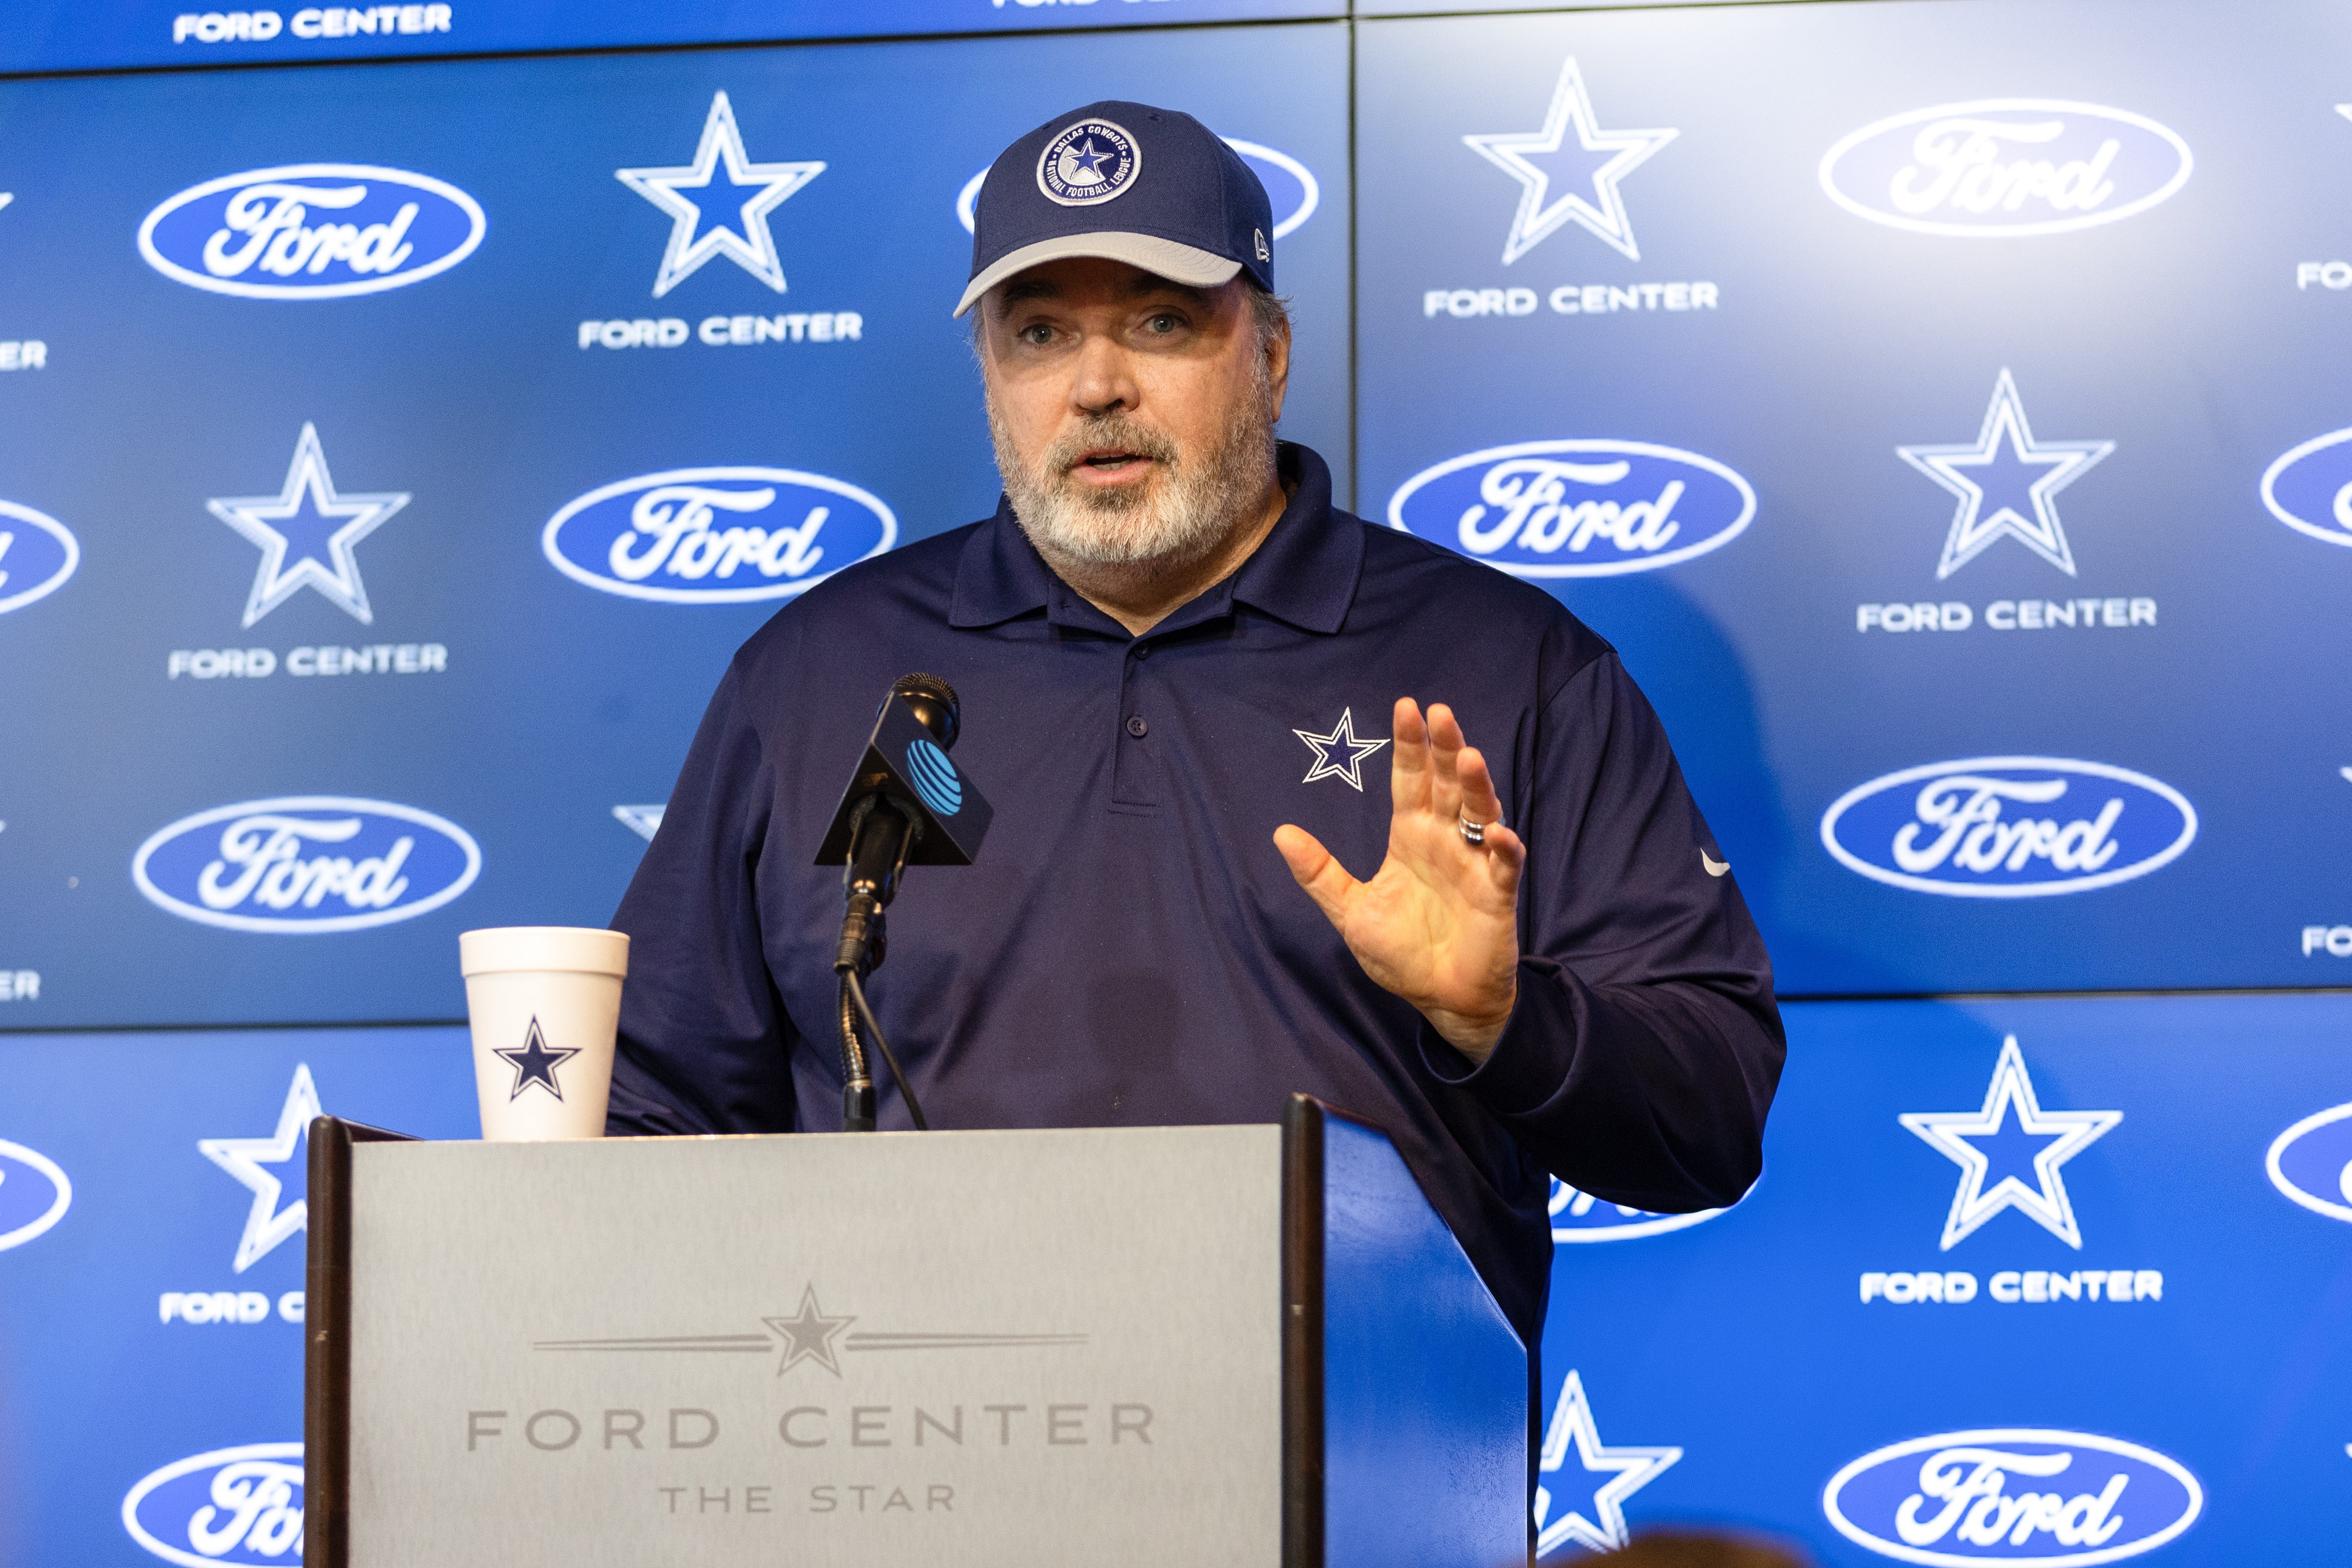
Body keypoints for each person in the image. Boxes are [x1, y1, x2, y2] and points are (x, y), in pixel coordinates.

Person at [606, 100, 1783, 1374]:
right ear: (991, 376)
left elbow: (1711, 1118)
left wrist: (1505, 1017)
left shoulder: (1506, 668)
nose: (1098, 385)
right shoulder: (817, 676)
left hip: (1361, 1488)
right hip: (908, 1462)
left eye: (1160, 322)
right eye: (1041, 333)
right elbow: (642, 1115)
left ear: (1270, 352)